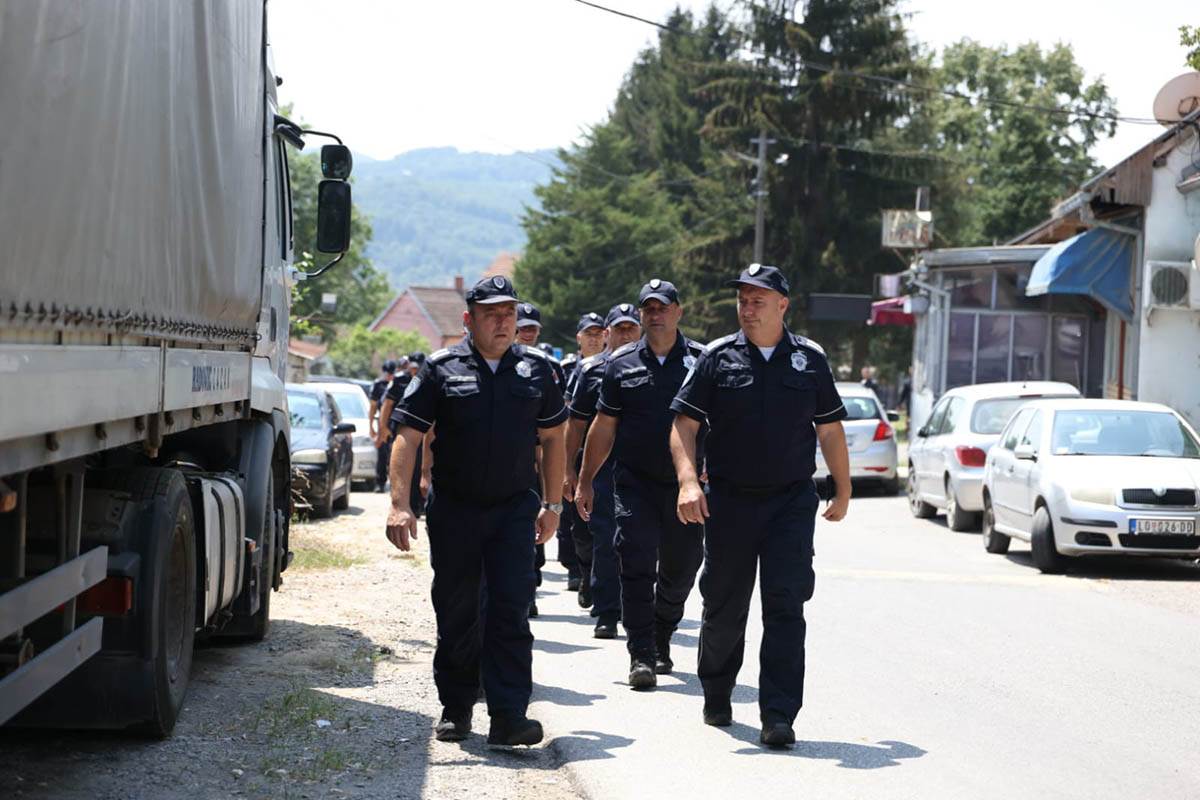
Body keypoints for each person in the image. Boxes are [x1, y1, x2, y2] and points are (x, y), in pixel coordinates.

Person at [669, 263, 851, 749]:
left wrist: (844, 487)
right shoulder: (716, 357)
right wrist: (689, 482)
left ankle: (778, 714)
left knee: (786, 606)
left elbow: (829, 428)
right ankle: (717, 688)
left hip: (791, 501)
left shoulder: (809, 360)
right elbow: (683, 425)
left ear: (782, 305)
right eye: (743, 301)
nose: (748, 310)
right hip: (729, 500)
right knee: (725, 604)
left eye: (758, 301)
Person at [385, 275, 567, 747]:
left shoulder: (539, 370)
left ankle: (509, 716)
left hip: (513, 512)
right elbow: (406, 435)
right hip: (457, 511)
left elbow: (552, 439)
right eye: (492, 313)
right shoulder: (441, 369)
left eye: (509, 313)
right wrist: (400, 505)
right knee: (458, 611)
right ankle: (457, 707)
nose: (503, 322)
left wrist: (552, 505)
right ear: (469, 319)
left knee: (510, 611)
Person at [575, 279, 706, 690]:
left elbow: (723, 422)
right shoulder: (620, 363)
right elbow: (603, 426)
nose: (655, 314)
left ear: (678, 311)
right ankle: (641, 653)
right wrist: (584, 480)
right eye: (648, 308)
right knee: (633, 563)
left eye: (662, 307)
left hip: (686, 486)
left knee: (683, 566)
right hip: (635, 482)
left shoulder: (702, 361)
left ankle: (663, 628)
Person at [565, 303, 642, 638]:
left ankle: (637, 605)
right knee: (605, 539)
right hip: (602, 467)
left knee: (641, 543)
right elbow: (576, 424)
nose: (625, 334)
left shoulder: (654, 364)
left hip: (644, 467)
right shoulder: (592, 369)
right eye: (619, 329)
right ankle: (608, 611)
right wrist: (570, 470)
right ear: (608, 333)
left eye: (630, 328)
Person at [514, 301, 565, 619]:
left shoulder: (547, 367)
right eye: (524, 327)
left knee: (534, 527)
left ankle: (528, 588)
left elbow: (556, 427)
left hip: (539, 461)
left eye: (533, 328)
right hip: (515, 459)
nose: (528, 333)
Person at [556, 313, 605, 593]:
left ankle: (603, 586)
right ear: (579, 338)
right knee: (579, 526)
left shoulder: (613, 367)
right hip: (577, 451)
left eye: (599, 333)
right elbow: (566, 420)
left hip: (608, 456)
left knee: (610, 528)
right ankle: (581, 568)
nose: (595, 338)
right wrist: (564, 464)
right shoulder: (568, 369)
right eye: (589, 334)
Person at [369, 359, 402, 493]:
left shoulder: (400, 382)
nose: (389, 376)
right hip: (383, 423)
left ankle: (396, 483)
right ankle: (380, 482)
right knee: (382, 453)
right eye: (388, 373)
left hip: (397, 422)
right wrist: (371, 426)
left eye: (391, 373)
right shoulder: (378, 385)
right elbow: (373, 406)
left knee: (397, 454)